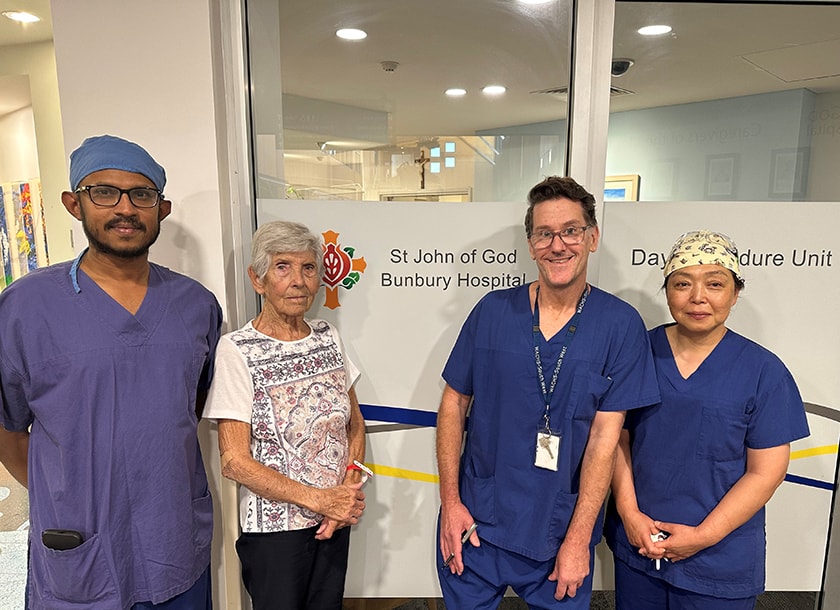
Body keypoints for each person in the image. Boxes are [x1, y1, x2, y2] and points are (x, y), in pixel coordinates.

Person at [0, 134, 223, 609]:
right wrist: (68, 489)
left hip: (173, 541)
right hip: (79, 544)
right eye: (103, 192)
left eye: (141, 194)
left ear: (160, 209)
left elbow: (190, 410)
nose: (125, 208)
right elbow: (9, 430)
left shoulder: (197, 305)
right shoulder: (25, 306)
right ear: (73, 203)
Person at [436, 176, 660, 608]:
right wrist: (450, 503)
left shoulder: (620, 325)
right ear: (530, 242)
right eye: (545, 233)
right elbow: (453, 402)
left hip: (557, 532)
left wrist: (579, 540)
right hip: (476, 520)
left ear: (592, 237)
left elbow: (604, 440)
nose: (558, 245)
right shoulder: (493, 311)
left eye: (571, 231)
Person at [604, 230, 810, 609]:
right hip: (640, 548)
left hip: (720, 560)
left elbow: (766, 471)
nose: (698, 297)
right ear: (667, 291)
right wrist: (630, 514)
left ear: (734, 294)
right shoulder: (637, 354)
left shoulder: (764, 371)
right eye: (683, 283)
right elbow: (615, 439)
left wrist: (703, 535)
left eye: (715, 284)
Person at [203, 220, 366, 610]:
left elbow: (354, 425)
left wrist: (347, 491)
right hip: (276, 536)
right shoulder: (237, 350)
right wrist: (321, 500)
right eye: (283, 267)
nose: (298, 280)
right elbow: (234, 462)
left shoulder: (328, 336)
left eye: (308, 268)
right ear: (257, 280)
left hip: (332, 525)